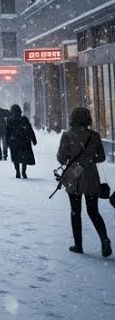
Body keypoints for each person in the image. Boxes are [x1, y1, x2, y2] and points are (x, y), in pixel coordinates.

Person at [56, 106, 111, 256]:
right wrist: (89, 160)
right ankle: (104, 239)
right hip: (91, 177)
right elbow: (101, 157)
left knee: (76, 212)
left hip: (74, 178)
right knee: (93, 211)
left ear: (73, 118)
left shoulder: (67, 135)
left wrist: (73, 159)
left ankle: (78, 245)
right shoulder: (94, 135)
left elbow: (61, 158)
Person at [5, 103, 37, 179]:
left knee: (16, 158)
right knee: (24, 158)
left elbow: (7, 133)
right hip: (24, 141)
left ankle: (17, 172)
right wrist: (33, 139)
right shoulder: (24, 119)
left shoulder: (10, 120)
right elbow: (30, 130)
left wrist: (7, 142)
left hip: (14, 142)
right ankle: (23, 172)